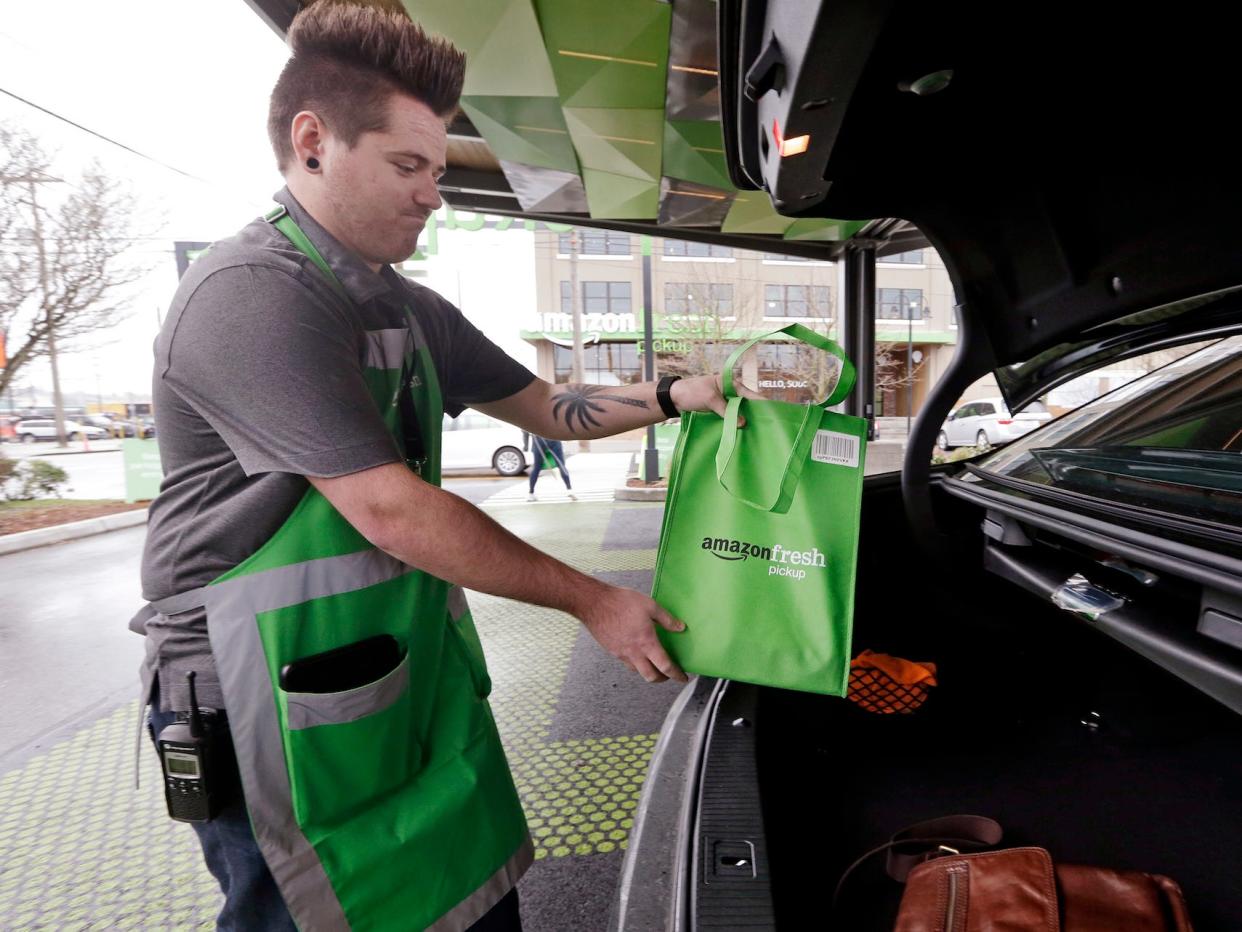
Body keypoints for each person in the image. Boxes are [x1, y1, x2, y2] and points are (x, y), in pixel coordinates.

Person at [129, 2, 734, 929]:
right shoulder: (252, 295)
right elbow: (391, 511)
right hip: (253, 684)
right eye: (409, 165)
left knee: (459, 886)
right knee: (315, 907)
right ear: (313, 142)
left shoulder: (411, 308)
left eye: (438, 171)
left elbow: (549, 409)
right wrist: (597, 599)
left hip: (381, 654)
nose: (432, 194)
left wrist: (677, 394)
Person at [526, 434, 574, 501]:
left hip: (538, 440)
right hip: (552, 438)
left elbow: (525, 429)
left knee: (536, 468)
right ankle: (569, 490)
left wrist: (526, 445)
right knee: (561, 465)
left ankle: (531, 493)